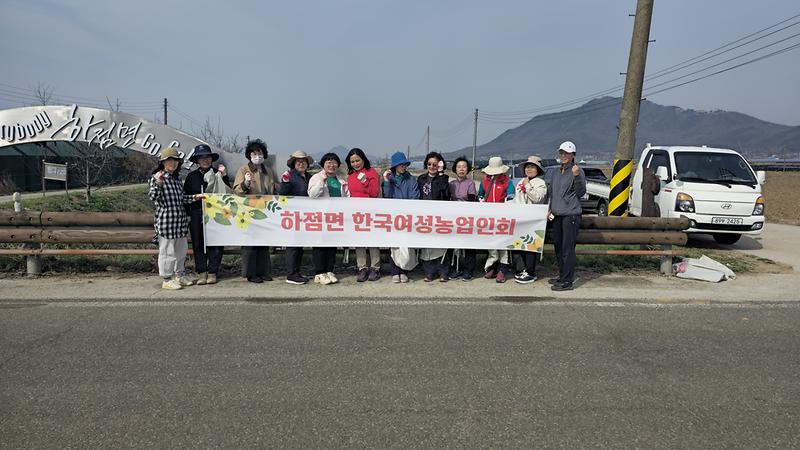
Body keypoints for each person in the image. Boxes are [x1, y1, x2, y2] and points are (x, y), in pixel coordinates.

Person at [148, 147, 204, 290]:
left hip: (180, 222)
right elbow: (153, 197)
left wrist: (195, 197)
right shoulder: (157, 177)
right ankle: (167, 279)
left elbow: (181, 199)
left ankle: (180, 275)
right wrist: (158, 184)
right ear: (163, 162)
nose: (173, 163)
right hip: (166, 223)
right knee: (167, 252)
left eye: (175, 160)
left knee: (181, 250)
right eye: (169, 160)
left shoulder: (177, 179)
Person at [183, 144, 230, 286]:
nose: (205, 160)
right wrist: (189, 213)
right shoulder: (192, 177)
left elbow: (227, 194)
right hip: (197, 213)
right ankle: (202, 272)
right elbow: (185, 197)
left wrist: (223, 176)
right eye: (202, 158)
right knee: (199, 243)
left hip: (215, 214)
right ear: (197, 160)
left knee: (216, 243)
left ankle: (213, 272)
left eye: (207, 157)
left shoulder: (219, 174)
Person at [233, 139, 277, 283]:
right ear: (249, 155)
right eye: (253, 153)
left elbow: (272, 189)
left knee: (264, 243)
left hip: (265, 211)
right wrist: (245, 184)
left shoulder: (268, 171)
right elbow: (237, 191)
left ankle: (263, 272)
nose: (257, 155)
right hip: (249, 211)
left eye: (259, 152)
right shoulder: (243, 170)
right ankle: (251, 274)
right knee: (250, 244)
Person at [545, 141, 586, 291]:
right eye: (561, 153)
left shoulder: (577, 171)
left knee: (567, 248)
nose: (563, 156)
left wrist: (576, 177)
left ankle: (567, 280)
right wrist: (550, 208)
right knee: (558, 247)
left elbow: (581, 192)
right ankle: (562, 275)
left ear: (573, 155)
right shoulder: (556, 172)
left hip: (571, 215)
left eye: (567, 153)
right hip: (557, 214)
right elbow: (553, 193)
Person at [308, 152, 349, 285]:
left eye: (334, 162)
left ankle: (329, 270)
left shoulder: (340, 179)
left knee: (332, 245)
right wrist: (322, 182)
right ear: (323, 164)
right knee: (320, 244)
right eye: (328, 162)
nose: (332, 165)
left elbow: (347, 196)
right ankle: (319, 272)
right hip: (320, 216)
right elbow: (312, 195)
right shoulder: (316, 177)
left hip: (335, 217)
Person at [382, 151, 420, 283]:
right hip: (393, 217)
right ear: (395, 166)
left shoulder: (411, 179)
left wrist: (407, 209)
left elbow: (415, 196)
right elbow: (386, 197)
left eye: (404, 164)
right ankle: (395, 271)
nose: (403, 166)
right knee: (393, 245)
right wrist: (386, 182)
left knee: (406, 244)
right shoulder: (389, 180)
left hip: (407, 216)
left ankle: (404, 271)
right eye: (400, 164)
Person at [345, 148, 382, 282]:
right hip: (356, 212)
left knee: (372, 240)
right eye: (352, 161)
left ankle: (375, 268)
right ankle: (362, 267)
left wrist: (365, 181)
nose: (355, 164)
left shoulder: (371, 172)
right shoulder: (350, 176)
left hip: (371, 211)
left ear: (363, 159)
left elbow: (374, 193)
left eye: (357, 160)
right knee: (359, 240)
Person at [278, 150, 314, 285]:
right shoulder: (289, 176)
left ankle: (296, 272)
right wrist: (285, 182)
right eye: (298, 162)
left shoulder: (309, 177)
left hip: (305, 216)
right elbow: (282, 195)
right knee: (293, 245)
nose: (301, 164)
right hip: (292, 216)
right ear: (293, 164)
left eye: (303, 161)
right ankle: (291, 274)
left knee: (299, 245)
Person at [512, 155, 548, 284]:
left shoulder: (540, 183)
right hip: (520, 218)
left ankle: (530, 271)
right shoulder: (521, 181)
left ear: (538, 169)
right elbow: (517, 199)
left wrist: (528, 186)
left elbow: (538, 198)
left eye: (532, 167)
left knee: (530, 246)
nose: (529, 169)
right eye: (528, 167)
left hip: (533, 220)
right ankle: (521, 269)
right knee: (519, 245)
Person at [478, 156, 515, 283]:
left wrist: (507, 207)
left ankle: (502, 270)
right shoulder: (484, 182)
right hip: (488, 218)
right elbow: (480, 195)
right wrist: (481, 200)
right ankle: (491, 267)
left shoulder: (507, 182)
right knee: (492, 244)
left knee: (503, 244)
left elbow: (511, 197)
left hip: (503, 218)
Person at [417, 151, 450, 282]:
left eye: (435, 164)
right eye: (429, 164)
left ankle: (443, 271)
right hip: (424, 216)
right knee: (427, 246)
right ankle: (429, 272)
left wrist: (441, 173)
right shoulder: (421, 179)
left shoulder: (444, 178)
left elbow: (446, 194)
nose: (432, 167)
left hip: (439, 216)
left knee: (440, 245)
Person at [448, 156, 478, 281]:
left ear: (468, 169)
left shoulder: (470, 183)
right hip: (453, 218)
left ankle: (468, 271)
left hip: (467, 217)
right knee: (452, 244)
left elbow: (472, 199)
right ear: (455, 169)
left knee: (469, 245)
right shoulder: (451, 184)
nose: (461, 169)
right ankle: (454, 269)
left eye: (464, 167)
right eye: (459, 167)